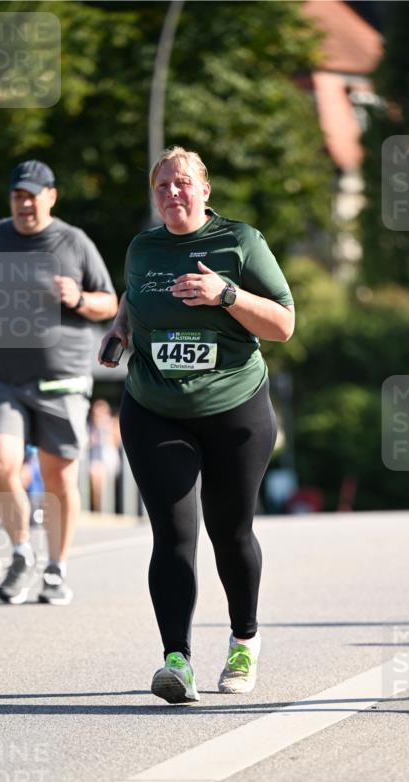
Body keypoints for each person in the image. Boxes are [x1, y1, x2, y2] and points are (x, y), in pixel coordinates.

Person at [99, 146, 294, 703]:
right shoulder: (144, 247)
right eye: (162, 185)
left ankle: (243, 641)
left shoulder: (241, 242)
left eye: (183, 183)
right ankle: (176, 661)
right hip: (155, 408)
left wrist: (225, 294)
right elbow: (133, 298)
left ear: (205, 190)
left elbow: (283, 324)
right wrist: (118, 331)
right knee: (173, 536)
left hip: (236, 410)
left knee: (229, 534)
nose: (172, 193)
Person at [0, 159, 118, 605]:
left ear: (51, 196)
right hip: (0, 375)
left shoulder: (74, 242)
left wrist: (79, 298)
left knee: (58, 476)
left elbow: (109, 302)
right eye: (18, 195)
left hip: (61, 378)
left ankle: (56, 568)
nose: (25, 203)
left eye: (33, 195)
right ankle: (20, 553)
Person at [88, 398, 122, 512]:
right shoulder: (91, 427)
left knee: (106, 481)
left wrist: (106, 431)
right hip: (95, 460)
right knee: (96, 474)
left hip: (110, 458)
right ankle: (99, 508)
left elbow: (117, 442)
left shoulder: (113, 423)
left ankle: (108, 508)